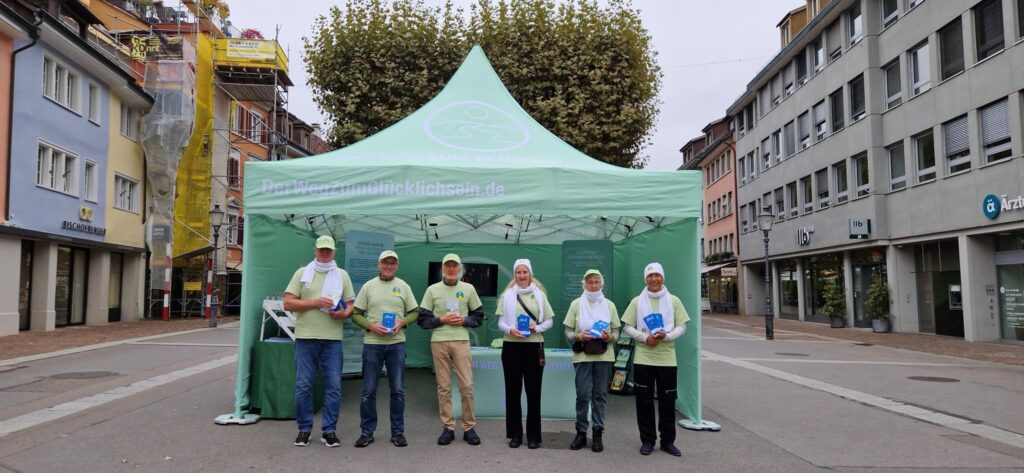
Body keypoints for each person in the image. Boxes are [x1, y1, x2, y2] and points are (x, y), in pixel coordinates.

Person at [282, 235, 354, 448]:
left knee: (334, 387)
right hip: (306, 338)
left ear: (334, 252)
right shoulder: (302, 273)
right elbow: (287, 303)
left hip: (332, 339)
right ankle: (304, 429)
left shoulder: (342, 275)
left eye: (328, 250)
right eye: (321, 249)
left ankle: (329, 430)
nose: (324, 253)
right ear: (315, 250)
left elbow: (351, 305)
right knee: (304, 386)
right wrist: (314, 302)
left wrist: (343, 314)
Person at [351, 250, 419, 448]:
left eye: (392, 263)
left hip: (396, 344)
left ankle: (397, 432)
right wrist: (370, 326)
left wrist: (402, 323)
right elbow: (356, 313)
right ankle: (366, 432)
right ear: (378, 265)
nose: (389, 266)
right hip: (372, 345)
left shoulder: (403, 286)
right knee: (368, 391)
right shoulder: (368, 286)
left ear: (396, 266)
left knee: (397, 390)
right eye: (385, 263)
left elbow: (415, 312)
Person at [621, 262, 689, 457]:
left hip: (667, 358)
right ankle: (648, 440)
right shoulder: (637, 301)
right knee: (644, 401)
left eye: (657, 275)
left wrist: (666, 336)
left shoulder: (674, 301)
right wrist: (645, 338)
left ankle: (668, 441)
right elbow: (627, 326)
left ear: (663, 277)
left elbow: (682, 326)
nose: (654, 279)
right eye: (650, 276)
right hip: (644, 357)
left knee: (668, 400)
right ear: (645, 279)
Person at [417, 253, 485, 446]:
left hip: (461, 342)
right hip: (439, 342)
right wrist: (441, 320)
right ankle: (448, 427)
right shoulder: (432, 290)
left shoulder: (468, 289)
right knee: (444, 387)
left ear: (460, 269)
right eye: (448, 266)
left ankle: (469, 427)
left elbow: (478, 316)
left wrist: (464, 320)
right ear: (442, 269)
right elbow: (422, 320)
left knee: (467, 386)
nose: (451, 269)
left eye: (455, 266)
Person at [496, 258, 553, 449]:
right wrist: (511, 330)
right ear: (515, 275)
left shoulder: (540, 295)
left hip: (534, 347)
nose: (521, 275)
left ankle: (534, 436)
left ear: (530, 274)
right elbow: (501, 323)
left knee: (533, 392)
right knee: (512, 392)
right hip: (511, 346)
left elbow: (549, 322)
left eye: (525, 272)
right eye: (518, 272)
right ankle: (515, 434)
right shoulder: (507, 296)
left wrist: (536, 327)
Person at [563, 269, 620, 453]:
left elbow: (617, 333)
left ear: (601, 284)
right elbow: (568, 331)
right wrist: (579, 336)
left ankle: (597, 433)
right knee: (582, 395)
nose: (593, 285)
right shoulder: (576, 304)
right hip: (582, 356)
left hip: (604, 356)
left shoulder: (609, 305)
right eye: (590, 282)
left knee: (600, 396)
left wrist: (609, 337)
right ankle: (581, 432)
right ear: (584, 284)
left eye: (596, 282)